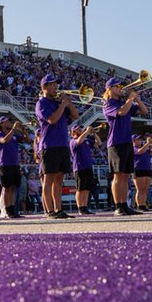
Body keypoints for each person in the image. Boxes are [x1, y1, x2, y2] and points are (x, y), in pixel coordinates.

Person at [37, 74, 80, 218]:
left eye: (56, 84)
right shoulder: (41, 103)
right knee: (48, 179)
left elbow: (75, 116)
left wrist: (68, 103)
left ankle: (58, 209)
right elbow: (52, 119)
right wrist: (62, 105)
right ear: (44, 87)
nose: (55, 87)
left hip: (62, 145)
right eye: (52, 84)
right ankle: (49, 210)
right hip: (49, 145)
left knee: (59, 179)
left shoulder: (58, 103)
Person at [102, 76, 145, 217]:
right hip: (116, 143)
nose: (121, 89)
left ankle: (124, 205)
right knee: (118, 176)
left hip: (126, 142)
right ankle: (118, 205)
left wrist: (136, 98)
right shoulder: (108, 103)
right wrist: (130, 99)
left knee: (125, 176)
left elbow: (144, 111)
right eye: (117, 87)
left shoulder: (124, 102)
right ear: (110, 89)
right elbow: (121, 112)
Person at [0, 117, 24, 219]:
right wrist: (13, 129)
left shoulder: (14, 134)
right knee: (6, 188)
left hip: (15, 164)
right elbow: (5, 140)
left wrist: (23, 129)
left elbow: (27, 140)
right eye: (6, 122)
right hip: (5, 164)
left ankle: (13, 209)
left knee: (13, 188)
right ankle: (8, 209)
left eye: (9, 121)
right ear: (1, 124)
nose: (8, 123)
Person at [70, 124, 100, 215]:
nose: (80, 129)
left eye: (80, 128)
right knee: (80, 188)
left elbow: (98, 143)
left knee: (87, 189)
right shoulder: (73, 141)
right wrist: (87, 132)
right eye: (78, 129)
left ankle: (85, 207)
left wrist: (94, 134)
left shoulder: (86, 140)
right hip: (79, 167)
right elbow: (78, 141)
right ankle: (80, 207)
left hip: (88, 166)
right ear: (73, 132)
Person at [131, 135, 152, 211]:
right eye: (137, 139)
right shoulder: (133, 148)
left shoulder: (145, 147)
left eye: (139, 139)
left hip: (147, 169)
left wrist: (151, 145)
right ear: (133, 141)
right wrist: (147, 144)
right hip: (138, 169)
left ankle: (143, 204)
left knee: (145, 189)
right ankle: (139, 205)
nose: (140, 141)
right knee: (140, 189)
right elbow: (140, 151)